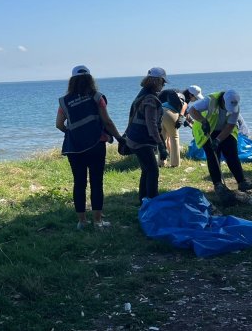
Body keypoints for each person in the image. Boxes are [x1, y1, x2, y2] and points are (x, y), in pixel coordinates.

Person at [56, 65, 125, 229]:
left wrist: (71, 132)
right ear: (90, 79)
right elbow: (107, 121)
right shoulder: (97, 97)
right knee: (96, 182)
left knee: (79, 183)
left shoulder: (64, 101)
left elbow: (59, 124)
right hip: (96, 145)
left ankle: (81, 221)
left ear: (72, 81)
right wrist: (119, 138)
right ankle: (98, 221)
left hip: (74, 148)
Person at [187, 89, 252, 204]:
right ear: (223, 100)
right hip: (207, 130)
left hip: (225, 130)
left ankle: (242, 182)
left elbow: (230, 125)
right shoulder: (210, 100)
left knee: (232, 154)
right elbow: (192, 110)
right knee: (213, 156)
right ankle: (218, 184)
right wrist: (203, 121)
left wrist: (218, 140)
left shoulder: (235, 107)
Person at [123, 67, 169, 202]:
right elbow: (151, 124)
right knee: (153, 171)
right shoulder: (151, 99)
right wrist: (161, 145)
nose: (164, 85)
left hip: (133, 138)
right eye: (163, 81)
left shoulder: (142, 94)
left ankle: (143, 200)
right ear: (156, 81)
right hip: (142, 141)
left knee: (146, 170)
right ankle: (153, 202)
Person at [157, 87, 188, 168]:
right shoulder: (184, 100)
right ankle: (175, 163)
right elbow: (184, 108)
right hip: (170, 113)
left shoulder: (173, 96)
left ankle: (161, 162)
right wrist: (181, 118)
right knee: (174, 137)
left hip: (160, 112)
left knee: (162, 138)